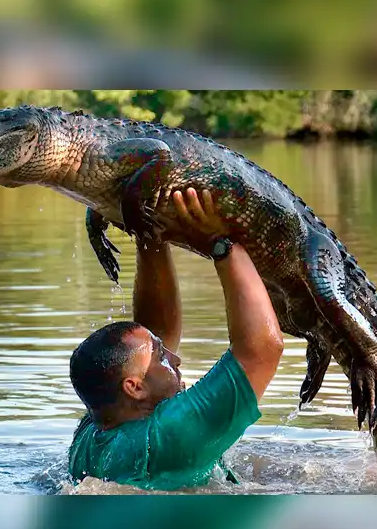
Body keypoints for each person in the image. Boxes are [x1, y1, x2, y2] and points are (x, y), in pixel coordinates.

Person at [68, 187, 284, 491]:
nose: (175, 358)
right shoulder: (168, 435)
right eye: (161, 357)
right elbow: (262, 349)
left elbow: (150, 337)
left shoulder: (92, 433)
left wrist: (149, 233)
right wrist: (221, 242)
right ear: (134, 387)